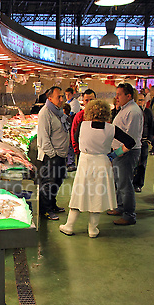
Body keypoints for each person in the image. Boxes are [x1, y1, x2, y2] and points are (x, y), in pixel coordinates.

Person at [59, 100, 135, 237]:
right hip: (103, 162)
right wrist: (114, 154)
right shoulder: (111, 128)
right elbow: (131, 142)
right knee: (97, 196)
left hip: (85, 162)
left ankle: (69, 226)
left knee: (79, 194)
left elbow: (75, 140)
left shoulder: (82, 125)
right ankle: (93, 229)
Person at [107, 83, 143, 226]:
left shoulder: (133, 111)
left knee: (125, 184)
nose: (116, 97)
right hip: (119, 152)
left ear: (129, 96)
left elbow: (131, 140)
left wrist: (118, 153)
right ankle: (120, 207)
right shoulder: (124, 109)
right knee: (119, 182)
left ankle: (129, 215)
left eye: (119, 94)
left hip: (126, 153)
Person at [37, 86, 70, 220]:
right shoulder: (45, 113)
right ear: (49, 98)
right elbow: (44, 138)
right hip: (51, 156)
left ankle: (52, 204)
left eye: (62, 96)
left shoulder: (58, 112)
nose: (62, 99)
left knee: (57, 181)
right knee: (49, 184)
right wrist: (53, 155)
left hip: (60, 155)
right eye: (59, 97)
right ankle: (45, 210)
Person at [133, 93, 153, 193]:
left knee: (142, 164)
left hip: (144, 141)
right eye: (139, 100)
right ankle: (131, 182)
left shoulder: (148, 112)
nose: (140, 102)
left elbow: (151, 127)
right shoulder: (133, 112)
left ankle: (138, 184)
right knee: (133, 164)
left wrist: (149, 139)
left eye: (142, 100)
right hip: (133, 142)